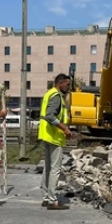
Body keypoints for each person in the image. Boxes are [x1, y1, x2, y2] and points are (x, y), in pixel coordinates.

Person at [39, 73, 73, 210]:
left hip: (47, 135)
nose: (69, 87)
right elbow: (49, 116)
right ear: (60, 83)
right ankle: (53, 200)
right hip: (54, 137)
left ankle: (46, 198)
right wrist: (65, 128)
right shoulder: (57, 96)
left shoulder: (49, 94)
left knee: (47, 169)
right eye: (67, 84)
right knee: (55, 169)